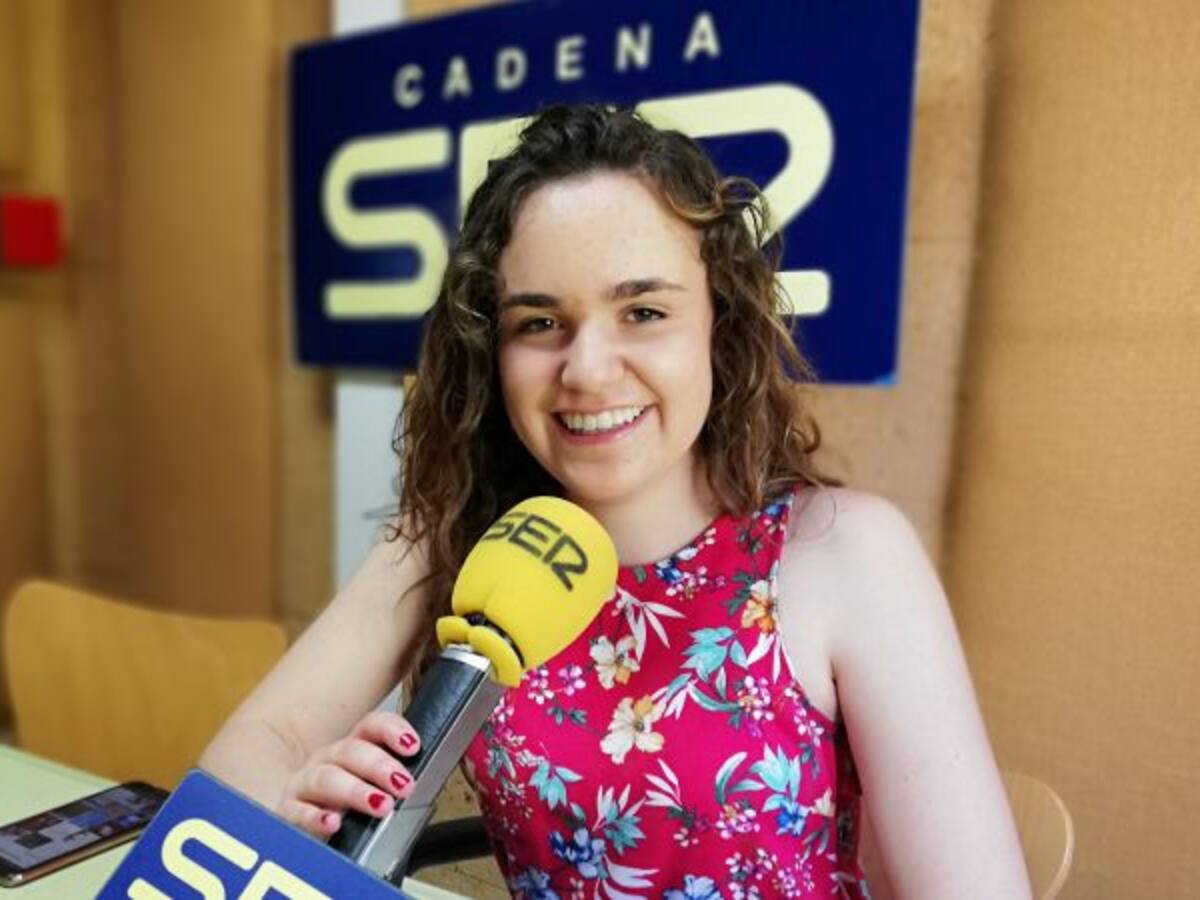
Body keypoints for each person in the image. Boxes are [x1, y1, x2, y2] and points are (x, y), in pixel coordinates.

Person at [200, 104, 1030, 899]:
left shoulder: (847, 553)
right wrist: (295, 808)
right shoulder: (450, 537)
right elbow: (242, 762)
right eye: (539, 323)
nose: (589, 371)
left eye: (643, 311)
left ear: (719, 324)